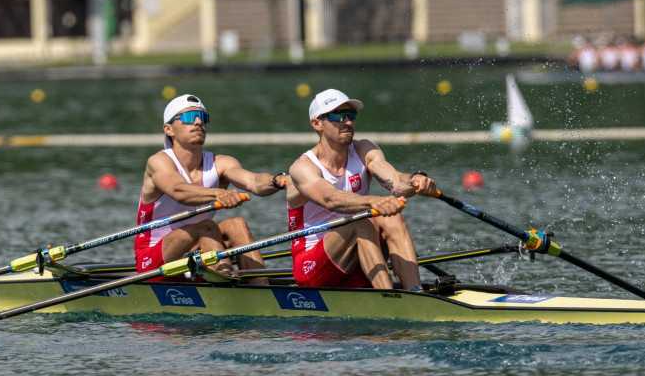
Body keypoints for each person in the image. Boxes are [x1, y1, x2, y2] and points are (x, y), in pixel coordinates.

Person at [285, 89, 438, 291]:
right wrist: (373, 202)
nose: (347, 121)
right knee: (362, 222)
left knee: (392, 218)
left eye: (351, 115)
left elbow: (396, 183)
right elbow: (330, 198)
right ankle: (389, 299)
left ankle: (415, 292)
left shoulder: (364, 149)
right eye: (338, 115)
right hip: (311, 268)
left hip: (359, 261)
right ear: (316, 123)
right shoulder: (303, 167)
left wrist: (416, 182)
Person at [135, 94, 288, 283]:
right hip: (152, 260)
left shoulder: (222, 163)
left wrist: (279, 180)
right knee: (207, 226)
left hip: (196, 252)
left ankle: (261, 291)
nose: (199, 122)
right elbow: (179, 191)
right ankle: (225, 286)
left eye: (203, 118)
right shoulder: (158, 162)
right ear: (168, 129)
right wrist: (218, 193)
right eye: (189, 117)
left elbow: (255, 182)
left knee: (236, 224)